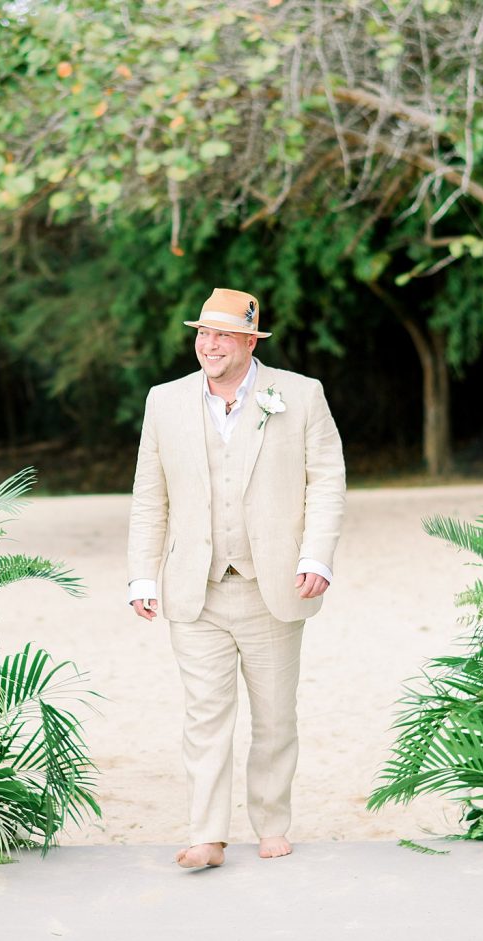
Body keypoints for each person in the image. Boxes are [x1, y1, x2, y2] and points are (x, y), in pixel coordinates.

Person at [127, 287, 346, 869]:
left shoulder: (299, 395)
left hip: (272, 585)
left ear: (251, 340)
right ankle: (207, 835)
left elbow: (326, 479)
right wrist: (141, 576)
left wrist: (316, 556)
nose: (209, 344)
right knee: (204, 716)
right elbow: (151, 495)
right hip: (193, 589)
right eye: (202, 333)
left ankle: (272, 823)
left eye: (223, 334)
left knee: (274, 715)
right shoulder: (164, 401)